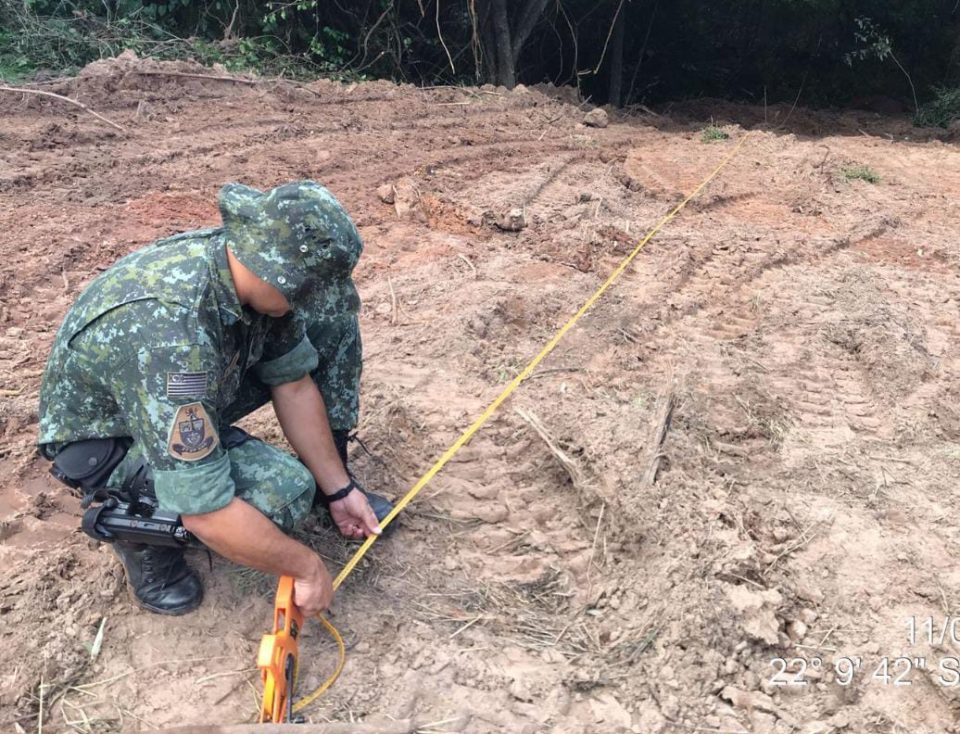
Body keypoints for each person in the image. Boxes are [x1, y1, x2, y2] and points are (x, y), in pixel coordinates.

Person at [36, 180, 393, 617]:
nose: (307, 300)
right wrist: (305, 567)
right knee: (281, 494)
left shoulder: (248, 273)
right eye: (304, 290)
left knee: (332, 325)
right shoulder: (175, 336)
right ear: (271, 268)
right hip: (106, 439)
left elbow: (293, 382)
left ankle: (327, 484)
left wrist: (339, 489)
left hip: (175, 387)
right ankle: (140, 533)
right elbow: (206, 509)